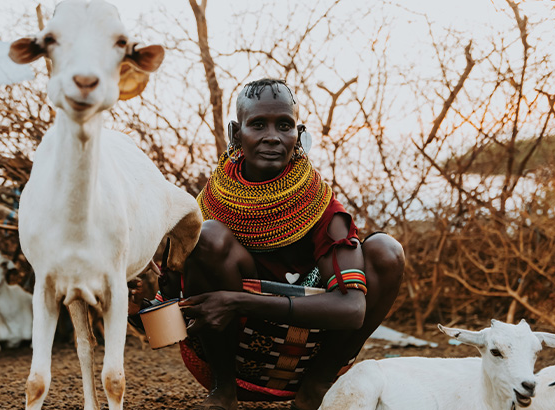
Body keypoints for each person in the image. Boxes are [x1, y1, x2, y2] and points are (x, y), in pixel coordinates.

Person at [157, 78, 405, 410]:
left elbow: (352, 308)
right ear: (236, 133)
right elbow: (170, 294)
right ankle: (222, 390)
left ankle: (316, 387)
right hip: (233, 344)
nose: (272, 136)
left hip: (311, 342)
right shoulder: (213, 200)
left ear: (298, 135)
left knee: (386, 251)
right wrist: (149, 295)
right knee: (208, 234)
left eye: (284, 125)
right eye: (258, 124)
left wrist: (238, 302)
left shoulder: (323, 208)